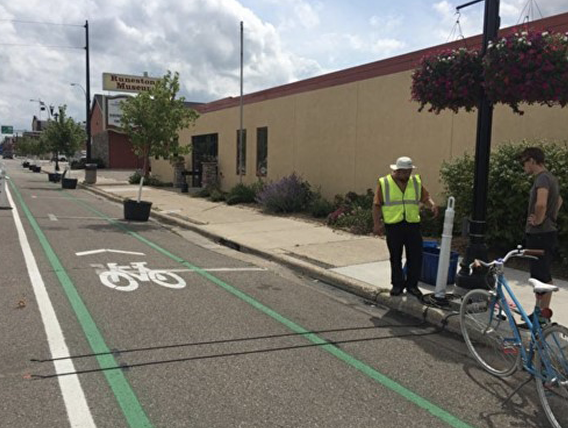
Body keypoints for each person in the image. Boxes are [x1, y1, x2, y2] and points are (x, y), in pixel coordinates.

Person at [372, 156, 438, 298]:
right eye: (403, 172)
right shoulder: (385, 183)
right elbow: (377, 204)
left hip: (412, 224)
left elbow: (425, 196)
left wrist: (431, 204)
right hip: (394, 226)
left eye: (408, 172)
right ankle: (397, 285)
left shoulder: (415, 181)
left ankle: (412, 285)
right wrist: (377, 224)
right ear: (397, 171)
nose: (406, 175)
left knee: (415, 256)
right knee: (395, 257)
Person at [519, 147, 563, 325]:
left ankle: (540, 319)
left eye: (524, 163)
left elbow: (541, 203)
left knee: (540, 278)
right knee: (543, 276)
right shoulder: (551, 178)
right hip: (547, 232)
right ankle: (539, 314)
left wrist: (539, 220)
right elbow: (559, 201)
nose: (523, 167)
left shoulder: (542, 178)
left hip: (539, 234)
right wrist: (551, 218)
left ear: (532, 160)